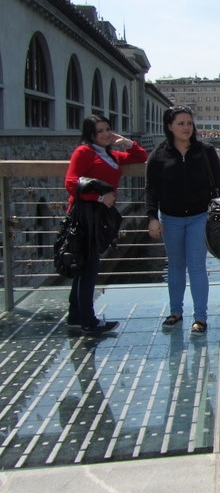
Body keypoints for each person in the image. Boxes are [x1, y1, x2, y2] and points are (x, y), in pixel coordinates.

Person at [65, 115, 147, 334]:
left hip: (100, 217)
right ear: (90, 134)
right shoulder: (83, 152)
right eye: (99, 131)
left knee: (84, 265)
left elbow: (140, 156)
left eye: (107, 129)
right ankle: (89, 321)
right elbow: (71, 183)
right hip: (85, 216)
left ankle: (75, 316)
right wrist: (100, 198)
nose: (105, 134)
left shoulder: (110, 155)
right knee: (89, 267)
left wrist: (126, 142)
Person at [145, 106, 220, 334]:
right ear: (170, 126)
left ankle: (200, 317)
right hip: (171, 218)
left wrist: (217, 213)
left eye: (189, 123)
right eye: (181, 123)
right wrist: (152, 217)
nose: (186, 128)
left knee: (197, 266)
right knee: (176, 265)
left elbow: (219, 184)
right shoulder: (159, 155)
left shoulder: (205, 151)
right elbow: (151, 189)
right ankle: (176, 312)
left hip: (200, 216)